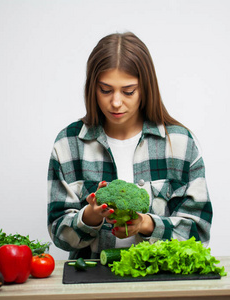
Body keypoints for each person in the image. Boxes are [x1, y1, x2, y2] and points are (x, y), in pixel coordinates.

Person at [47, 32, 212, 259]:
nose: (115, 102)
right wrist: (90, 217)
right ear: (92, 88)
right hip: (92, 284)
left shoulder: (181, 144)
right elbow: (59, 234)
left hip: (159, 286)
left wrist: (147, 224)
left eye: (128, 91)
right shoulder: (68, 144)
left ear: (145, 88)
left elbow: (199, 231)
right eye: (105, 90)